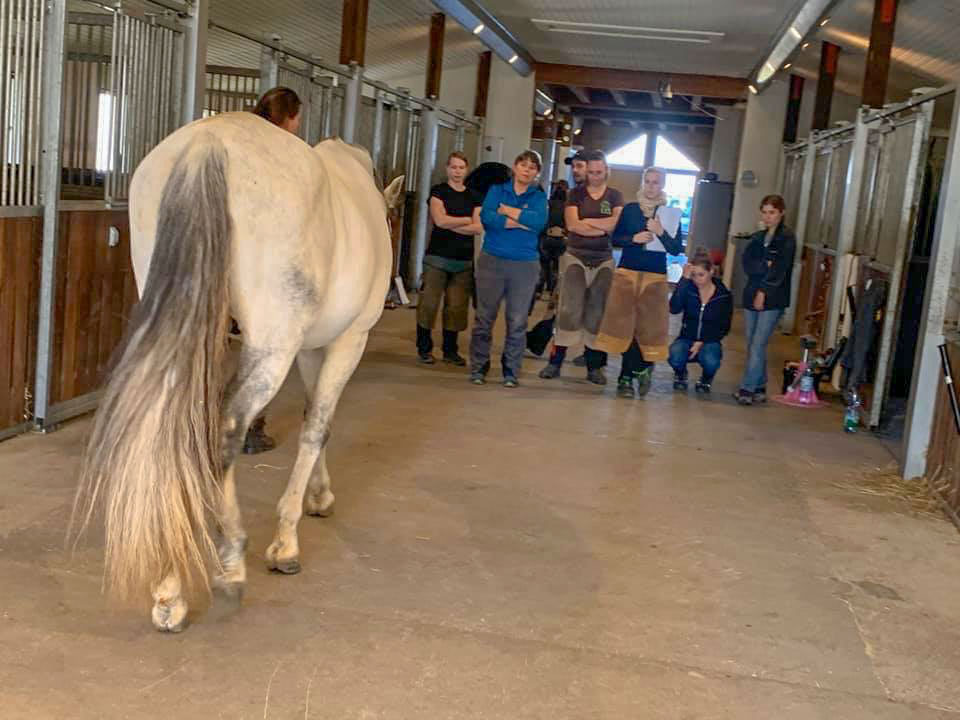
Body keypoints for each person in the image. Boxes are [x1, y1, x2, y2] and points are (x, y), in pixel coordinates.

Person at [239, 87, 303, 454]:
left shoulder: (244, 140)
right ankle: (252, 426)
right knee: (266, 342)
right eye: (298, 117)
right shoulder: (288, 152)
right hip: (268, 258)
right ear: (291, 116)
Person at [595, 167, 683, 399]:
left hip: (655, 276)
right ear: (643, 183)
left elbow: (676, 249)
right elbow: (615, 239)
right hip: (628, 272)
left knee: (649, 328)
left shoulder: (670, 214)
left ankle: (644, 368)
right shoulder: (631, 210)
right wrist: (633, 239)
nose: (651, 186)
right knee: (627, 327)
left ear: (662, 185)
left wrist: (661, 232)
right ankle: (625, 378)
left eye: (656, 182)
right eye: (648, 181)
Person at [539, 150, 623, 384]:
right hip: (575, 257)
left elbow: (615, 224)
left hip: (603, 260)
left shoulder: (615, 196)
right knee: (568, 311)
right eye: (591, 172)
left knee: (597, 314)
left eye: (599, 172)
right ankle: (555, 362)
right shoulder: (575, 194)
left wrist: (589, 223)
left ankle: (594, 367)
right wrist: (600, 227)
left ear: (606, 171)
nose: (595, 176)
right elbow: (573, 225)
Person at [470, 151, 548, 387]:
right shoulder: (497, 191)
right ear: (515, 167)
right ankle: (479, 367)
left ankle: (511, 371)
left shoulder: (538, 197)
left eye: (532, 167)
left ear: (537, 173)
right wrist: (519, 222)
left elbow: (538, 223)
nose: (527, 170)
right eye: (523, 165)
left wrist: (507, 211)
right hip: (492, 260)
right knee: (484, 318)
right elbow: (487, 217)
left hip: (525, 265)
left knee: (517, 321)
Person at [416, 152, 483, 365]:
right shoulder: (438, 192)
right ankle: (424, 348)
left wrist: (451, 222)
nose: (457, 171)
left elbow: (478, 228)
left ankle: (450, 350)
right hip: (437, 258)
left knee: (456, 308)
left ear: (467, 170)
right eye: (453, 167)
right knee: (428, 304)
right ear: (447, 169)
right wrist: (466, 220)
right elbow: (439, 221)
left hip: (463, 261)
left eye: (461, 167)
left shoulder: (474, 196)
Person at [735, 195, 797, 406]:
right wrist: (764, 265)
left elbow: (780, 270)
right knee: (752, 342)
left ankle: (747, 388)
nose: (768, 217)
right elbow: (747, 263)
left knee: (758, 343)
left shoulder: (787, 239)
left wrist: (763, 291)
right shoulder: (757, 237)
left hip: (773, 298)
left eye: (772, 212)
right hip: (751, 292)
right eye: (764, 212)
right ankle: (760, 386)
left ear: (781, 213)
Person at [667, 249, 733, 394]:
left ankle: (706, 378)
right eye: (694, 275)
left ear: (711, 272)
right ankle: (681, 374)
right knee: (675, 354)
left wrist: (702, 341)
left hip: (710, 340)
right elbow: (674, 308)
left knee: (711, 360)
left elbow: (724, 326)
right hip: (686, 337)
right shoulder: (688, 289)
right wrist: (683, 280)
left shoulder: (723, 295)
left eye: (701, 275)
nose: (697, 279)